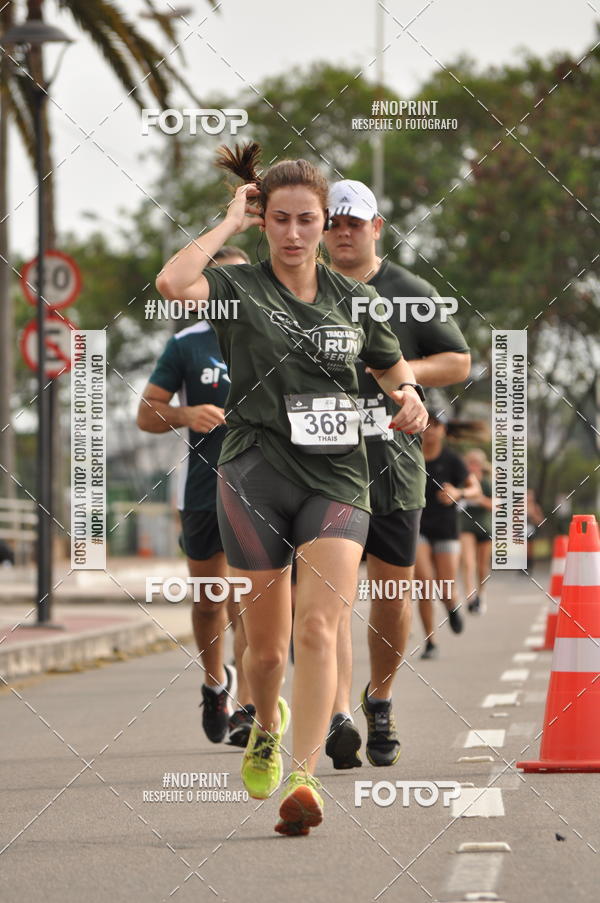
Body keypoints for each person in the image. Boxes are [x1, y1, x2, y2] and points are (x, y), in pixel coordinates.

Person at [155, 141, 428, 836]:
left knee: (319, 625)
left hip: (338, 474)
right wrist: (227, 222)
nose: (298, 232)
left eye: (309, 218)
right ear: (264, 219)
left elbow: (396, 371)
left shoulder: (356, 299)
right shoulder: (238, 289)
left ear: (325, 219)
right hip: (253, 472)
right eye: (280, 219)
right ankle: (264, 726)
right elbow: (171, 282)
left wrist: (411, 398)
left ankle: (303, 779)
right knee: (268, 649)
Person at [322, 179, 471, 768]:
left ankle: (378, 699)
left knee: (390, 594)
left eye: (353, 222)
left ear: (376, 227)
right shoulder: (302, 288)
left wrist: (398, 370)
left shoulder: (407, 291)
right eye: (332, 222)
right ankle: (335, 713)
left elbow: (459, 360)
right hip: (322, 467)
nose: (342, 231)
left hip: (392, 466)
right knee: (328, 597)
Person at [137, 244, 256, 749]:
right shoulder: (187, 344)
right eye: (222, 285)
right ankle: (215, 684)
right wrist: (187, 415)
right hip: (204, 490)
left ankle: (250, 707)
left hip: (264, 491)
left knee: (251, 601)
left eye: (242, 283)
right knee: (211, 600)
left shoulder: (276, 339)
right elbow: (146, 414)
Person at [416, 407, 482, 660]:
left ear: (443, 430)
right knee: (424, 584)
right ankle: (430, 642)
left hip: (445, 528)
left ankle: (452, 606)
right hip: (417, 526)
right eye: (426, 424)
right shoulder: (409, 456)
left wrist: (458, 493)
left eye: (435, 425)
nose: (429, 430)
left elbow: (474, 490)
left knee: (444, 586)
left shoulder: (452, 460)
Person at [459, 449, 493, 614]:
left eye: (475, 463)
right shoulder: (463, 481)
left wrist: (478, 499)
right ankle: (470, 597)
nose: (472, 467)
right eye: (469, 463)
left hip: (485, 527)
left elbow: (496, 505)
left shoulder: (487, 482)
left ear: (480, 465)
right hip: (466, 526)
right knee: (468, 562)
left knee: (482, 566)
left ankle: (481, 593)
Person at [526, 488, 544, 573]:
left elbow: (541, 521)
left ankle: (529, 566)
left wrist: (533, 516)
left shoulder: (535, 507)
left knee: (530, 549)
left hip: (531, 529)